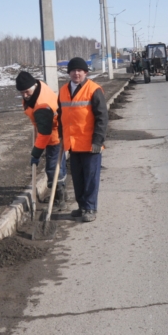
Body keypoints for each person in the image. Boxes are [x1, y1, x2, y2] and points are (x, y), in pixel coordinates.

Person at [57, 57, 108, 223]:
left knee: (91, 178)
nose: (76, 73)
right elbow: (60, 115)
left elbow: (102, 117)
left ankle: (90, 208)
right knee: (78, 178)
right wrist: (60, 137)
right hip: (72, 143)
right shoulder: (63, 90)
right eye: (73, 70)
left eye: (80, 70)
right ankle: (81, 206)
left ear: (85, 72)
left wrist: (98, 141)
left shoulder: (94, 90)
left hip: (90, 144)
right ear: (69, 73)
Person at [15, 71, 67, 208]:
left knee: (52, 167)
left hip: (54, 135)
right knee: (57, 164)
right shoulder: (38, 85)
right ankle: (60, 192)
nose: (24, 96)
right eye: (21, 93)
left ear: (33, 86)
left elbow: (44, 134)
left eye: (26, 92)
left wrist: (35, 154)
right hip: (52, 128)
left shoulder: (42, 105)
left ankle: (59, 198)